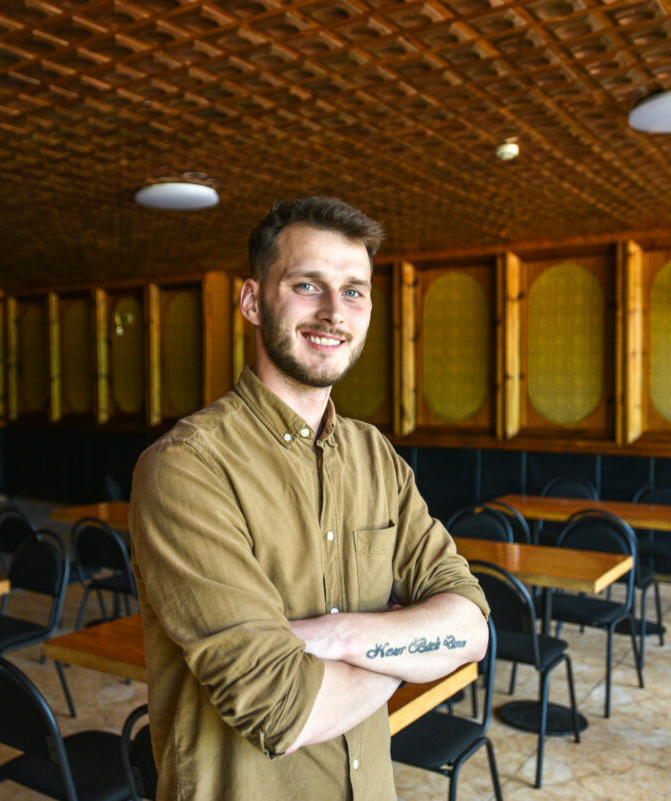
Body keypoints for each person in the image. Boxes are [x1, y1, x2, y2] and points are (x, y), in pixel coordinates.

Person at [129, 197, 489, 801]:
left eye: (353, 291)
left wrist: (340, 636)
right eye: (306, 285)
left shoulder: (375, 456)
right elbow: (281, 709)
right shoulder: (186, 466)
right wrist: (404, 648)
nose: (333, 312)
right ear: (252, 301)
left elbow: (471, 627)